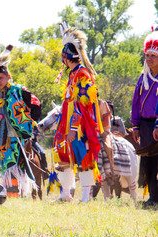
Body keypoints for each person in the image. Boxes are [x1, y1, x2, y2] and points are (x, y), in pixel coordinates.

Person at [52, 22, 103, 203]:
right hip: (67, 123)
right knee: (63, 153)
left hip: (80, 126)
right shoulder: (73, 74)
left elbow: (83, 104)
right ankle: (66, 193)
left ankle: (86, 196)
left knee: (84, 156)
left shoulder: (82, 74)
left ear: (66, 58)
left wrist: (74, 128)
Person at [0, 39, 36, 197]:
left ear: (8, 77)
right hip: (0, 136)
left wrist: (30, 121)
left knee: (15, 163)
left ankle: (17, 193)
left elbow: (35, 103)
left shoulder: (18, 91)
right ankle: (8, 193)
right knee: (3, 165)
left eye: (1, 78)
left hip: (16, 135)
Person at [131, 26, 158, 208]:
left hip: (157, 125)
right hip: (146, 126)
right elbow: (136, 102)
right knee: (148, 162)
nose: (149, 59)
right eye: (147, 55)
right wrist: (135, 126)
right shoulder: (144, 78)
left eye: (153, 56)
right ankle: (153, 197)